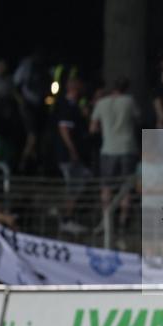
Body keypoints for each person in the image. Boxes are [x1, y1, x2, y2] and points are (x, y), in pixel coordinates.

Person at [90, 77, 140, 229]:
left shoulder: (101, 103)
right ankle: (124, 219)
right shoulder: (129, 101)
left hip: (108, 149)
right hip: (127, 147)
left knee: (106, 186)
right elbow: (138, 119)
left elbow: (93, 128)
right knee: (126, 186)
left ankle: (107, 221)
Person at [54, 77, 91, 235]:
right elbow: (64, 129)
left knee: (83, 179)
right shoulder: (65, 106)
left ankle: (64, 213)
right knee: (74, 185)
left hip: (73, 153)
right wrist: (72, 150)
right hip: (67, 155)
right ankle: (66, 218)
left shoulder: (74, 106)